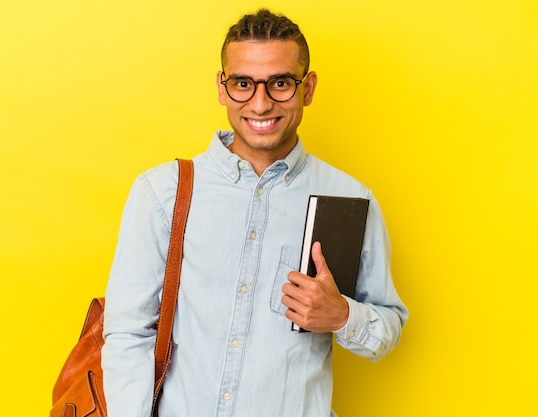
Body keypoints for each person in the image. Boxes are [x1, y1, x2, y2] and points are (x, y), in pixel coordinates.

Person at [102, 9, 408, 417]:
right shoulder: (163, 192)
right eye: (243, 84)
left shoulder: (350, 200)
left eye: (280, 83)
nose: (261, 104)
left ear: (308, 87)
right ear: (221, 87)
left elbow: (388, 327)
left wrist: (342, 315)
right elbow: (127, 333)